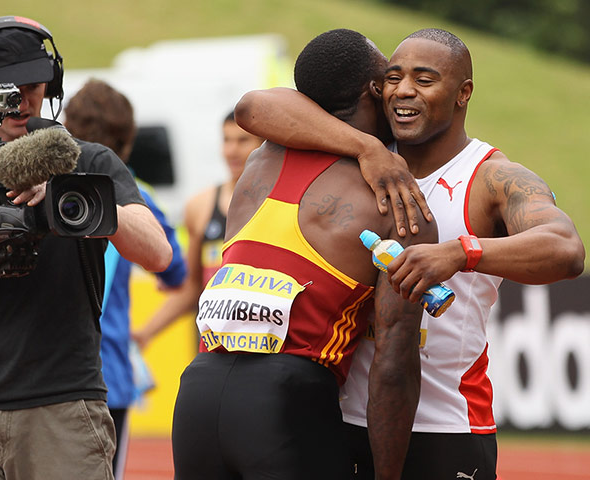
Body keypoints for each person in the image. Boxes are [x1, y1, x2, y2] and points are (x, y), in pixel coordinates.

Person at [235, 28, 585, 479]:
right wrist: (366, 149)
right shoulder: (362, 153)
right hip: (333, 423)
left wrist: (460, 253)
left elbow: (565, 249)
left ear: (463, 94)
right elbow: (256, 107)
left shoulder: (492, 177)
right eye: (393, 78)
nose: (402, 90)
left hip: (444, 429)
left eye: (424, 79)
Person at [0, 16, 172, 480]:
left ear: (50, 82)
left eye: (31, 84)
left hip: (62, 408)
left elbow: (157, 254)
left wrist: (69, 192)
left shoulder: (90, 160)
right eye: (5, 87)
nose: (21, 100)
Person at [172, 29, 435, 480]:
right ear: (375, 89)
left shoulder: (261, 158)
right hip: (288, 399)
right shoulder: (398, 202)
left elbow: (255, 106)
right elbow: (392, 365)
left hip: (197, 391)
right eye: (389, 77)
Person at [63, 78, 187, 480]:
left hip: (43, 370)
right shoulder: (142, 198)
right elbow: (175, 273)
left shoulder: (45, 189)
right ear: (127, 142)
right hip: (107, 372)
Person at [131, 111, 264, 350]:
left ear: (262, 145)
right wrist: (145, 333)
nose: (232, 150)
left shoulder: (276, 203)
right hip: (210, 351)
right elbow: (192, 287)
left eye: (242, 141)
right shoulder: (200, 207)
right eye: (226, 140)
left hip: (260, 347)